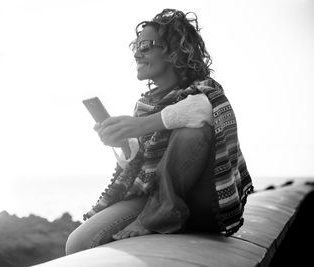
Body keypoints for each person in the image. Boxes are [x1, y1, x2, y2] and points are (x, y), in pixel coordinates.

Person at [66, 8, 253, 255]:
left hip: (203, 203)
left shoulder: (204, 91)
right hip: (151, 194)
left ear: (174, 52)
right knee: (79, 243)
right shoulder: (145, 105)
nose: (137, 52)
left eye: (146, 45)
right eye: (135, 45)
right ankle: (159, 211)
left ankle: (162, 213)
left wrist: (141, 125)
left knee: (192, 130)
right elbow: (141, 162)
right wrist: (122, 141)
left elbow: (203, 110)